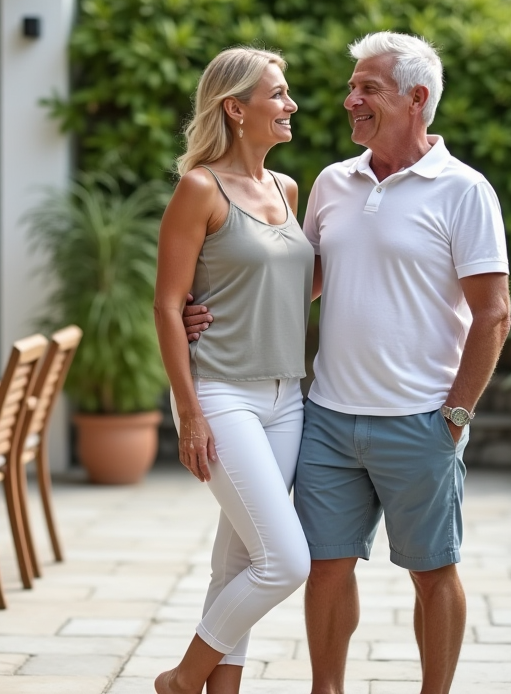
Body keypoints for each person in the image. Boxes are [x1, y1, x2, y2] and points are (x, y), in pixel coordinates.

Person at [183, 32, 511, 694]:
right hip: (328, 418)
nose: (349, 100)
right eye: (351, 86)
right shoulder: (333, 182)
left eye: (368, 88)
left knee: (432, 572)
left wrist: (454, 416)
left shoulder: (465, 191)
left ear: (416, 98)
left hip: (420, 420)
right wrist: (207, 308)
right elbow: (293, 278)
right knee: (324, 568)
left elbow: (494, 314)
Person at [153, 46, 316, 694]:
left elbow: (288, 286)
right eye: (277, 93)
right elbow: (168, 305)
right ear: (235, 108)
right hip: (220, 394)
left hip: (286, 397)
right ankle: (182, 679)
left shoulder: (287, 188)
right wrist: (189, 412)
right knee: (285, 561)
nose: (291, 104)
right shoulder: (200, 189)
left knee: (242, 562)